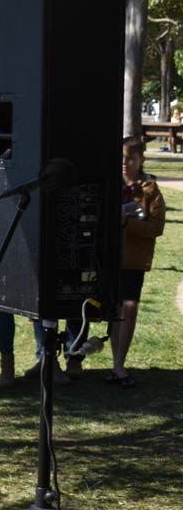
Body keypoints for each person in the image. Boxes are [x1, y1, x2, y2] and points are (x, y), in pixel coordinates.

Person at [109, 136, 166, 388]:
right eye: (121, 157)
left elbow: (156, 227)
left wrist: (126, 222)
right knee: (114, 309)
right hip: (109, 258)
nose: (125, 162)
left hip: (132, 260)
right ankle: (114, 363)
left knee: (129, 307)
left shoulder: (149, 190)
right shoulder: (110, 184)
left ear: (141, 159)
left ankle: (120, 363)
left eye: (130, 157)